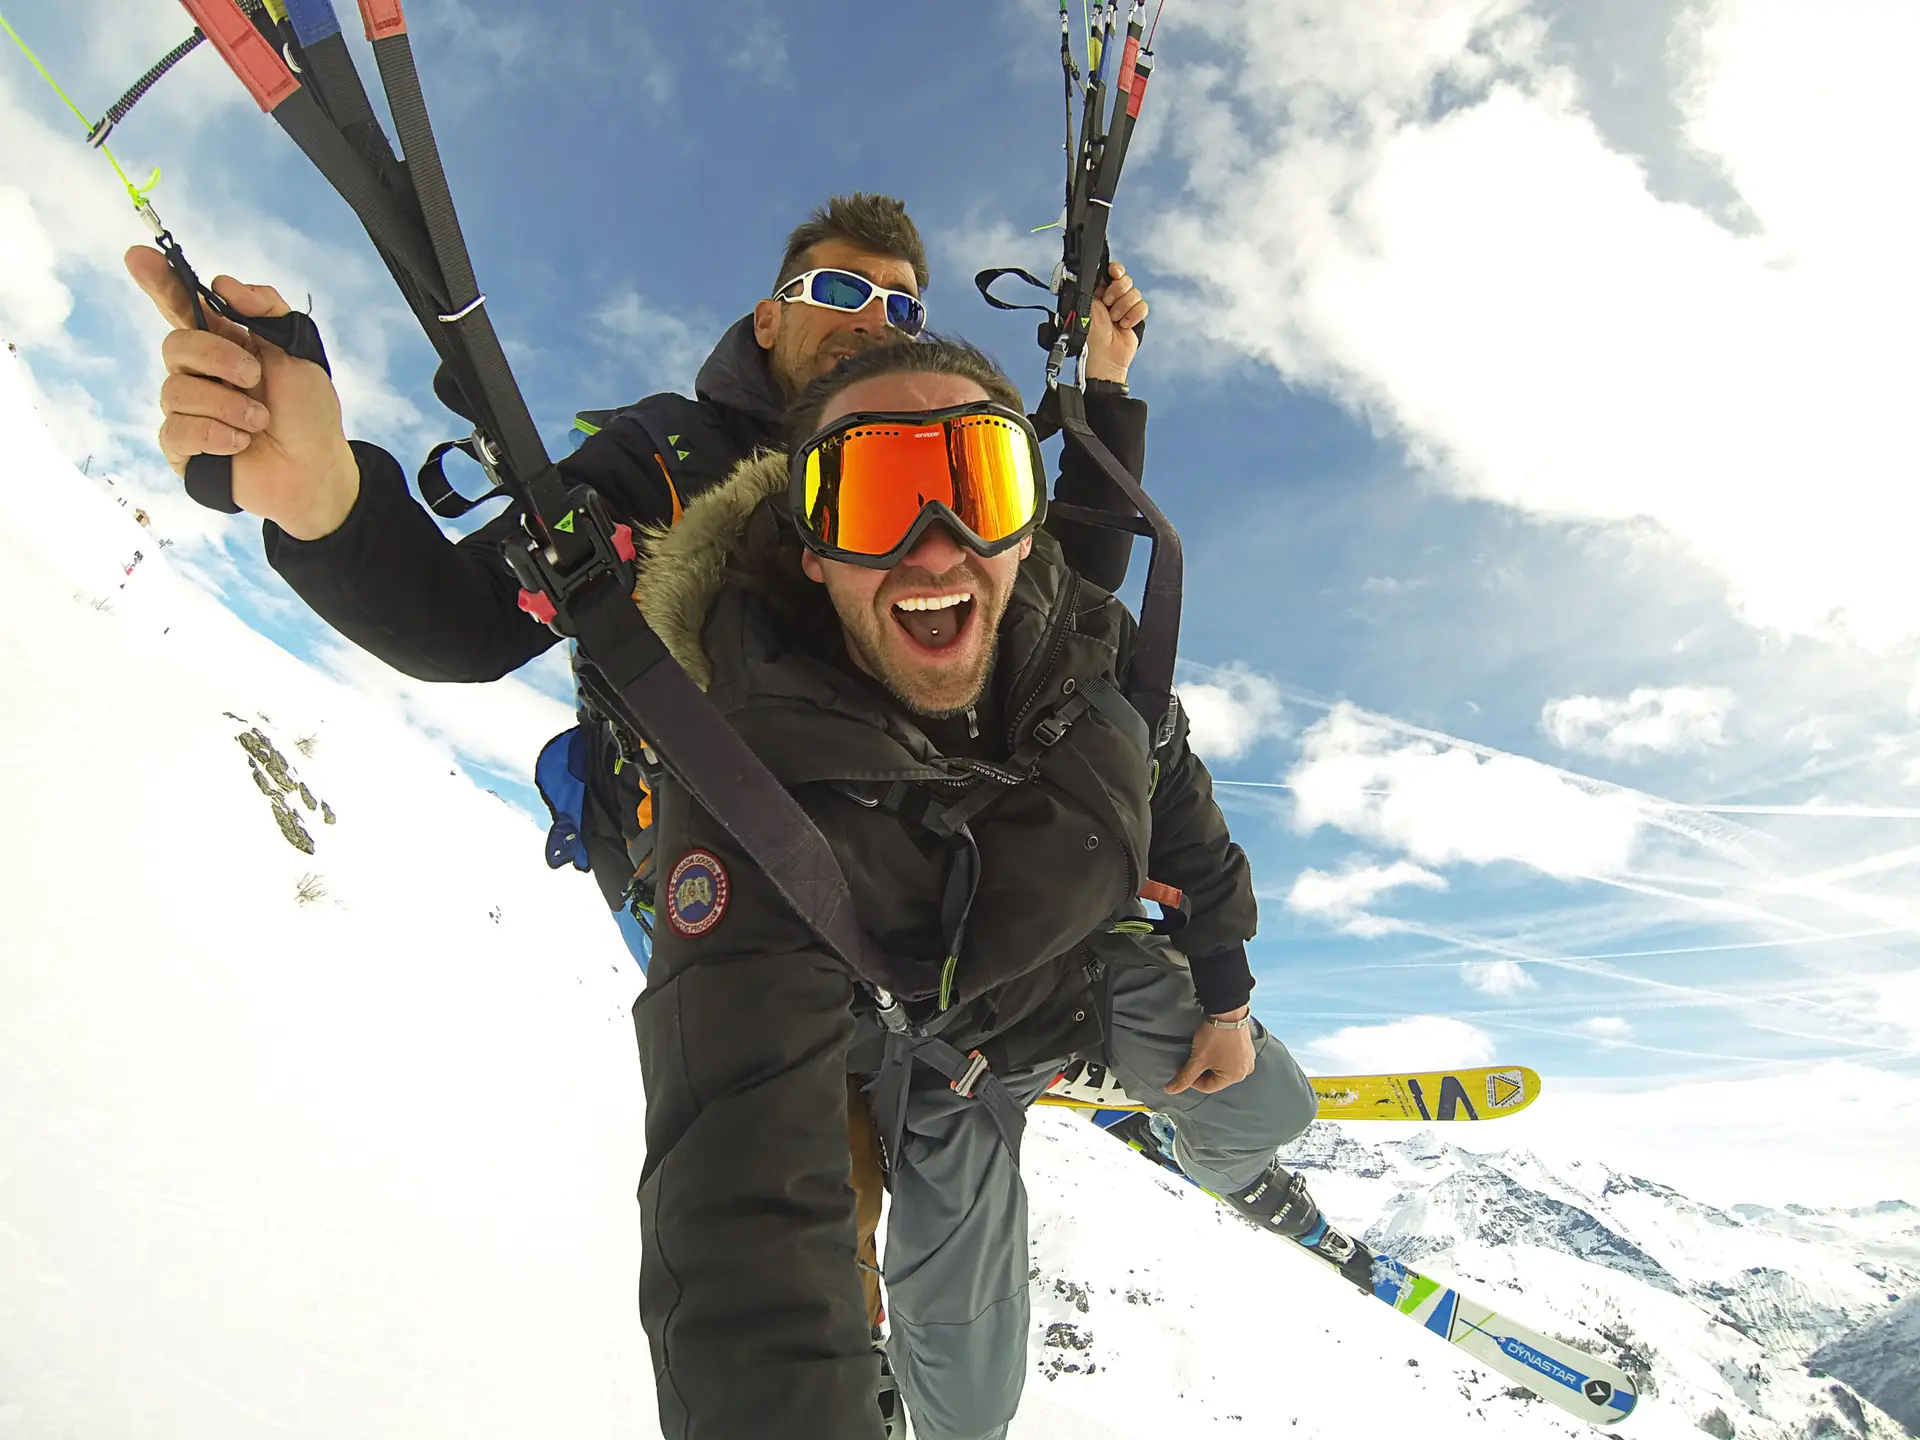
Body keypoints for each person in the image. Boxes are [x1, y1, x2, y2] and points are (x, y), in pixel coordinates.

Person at [629, 335, 1345, 1440]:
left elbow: (1184, 818)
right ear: (809, 547)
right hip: (935, 1071)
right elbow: (733, 1189)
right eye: (872, 496)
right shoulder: (747, 780)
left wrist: (1228, 995)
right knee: (969, 1402)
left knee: (1277, 1104)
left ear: (1027, 523)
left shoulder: (1088, 661)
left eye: (975, 484)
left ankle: (1222, 1156)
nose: (934, 548)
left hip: (1079, 987)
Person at [123, 193, 1149, 947]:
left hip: (916, 870)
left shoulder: (936, 461)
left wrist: (1106, 385)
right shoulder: (668, 457)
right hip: (712, 876)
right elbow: (469, 621)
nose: (876, 318)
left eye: (903, 308)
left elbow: (1066, 603)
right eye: (840, 291)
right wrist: (323, 501)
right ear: (768, 320)